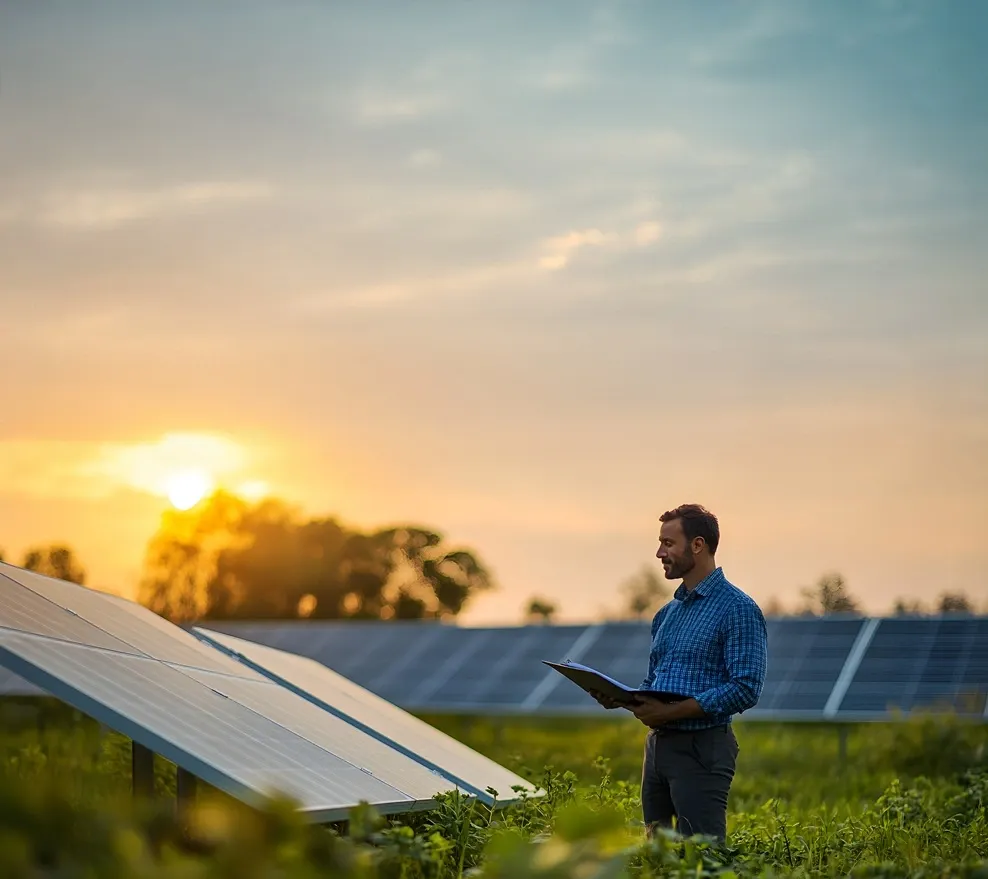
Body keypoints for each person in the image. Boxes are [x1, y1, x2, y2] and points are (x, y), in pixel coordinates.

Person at [590, 503, 767, 842]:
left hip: (702, 748)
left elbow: (745, 687)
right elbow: (654, 682)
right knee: (656, 852)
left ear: (697, 545)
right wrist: (623, 699)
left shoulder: (738, 609)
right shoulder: (667, 614)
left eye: (668, 543)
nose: (659, 553)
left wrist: (671, 712)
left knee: (702, 855)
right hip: (657, 749)